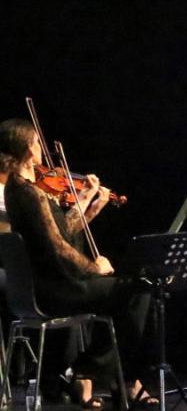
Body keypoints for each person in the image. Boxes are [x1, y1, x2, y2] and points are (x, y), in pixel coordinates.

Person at [0, 119, 154, 407]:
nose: (40, 149)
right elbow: (58, 248)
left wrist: (89, 204)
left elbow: (63, 231)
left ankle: (106, 376)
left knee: (134, 290)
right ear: (25, 148)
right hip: (55, 289)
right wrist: (94, 268)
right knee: (139, 290)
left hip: (53, 284)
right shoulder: (29, 192)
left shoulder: (23, 189)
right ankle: (94, 372)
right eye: (36, 143)